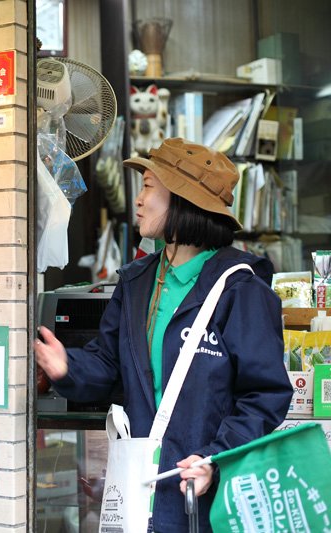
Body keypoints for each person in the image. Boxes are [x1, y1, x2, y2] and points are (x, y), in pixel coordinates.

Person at [35, 138, 292, 532]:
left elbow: (266, 395)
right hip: (140, 492)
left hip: (205, 498)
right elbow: (108, 365)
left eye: (149, 186)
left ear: (184, 202)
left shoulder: (241, 290)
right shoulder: (136, 282)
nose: (138, 200)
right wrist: (67, 366)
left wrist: (215, 459)